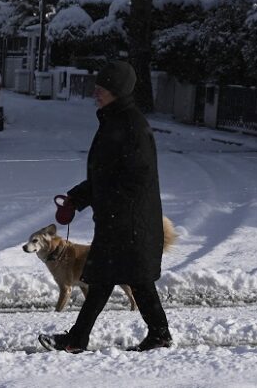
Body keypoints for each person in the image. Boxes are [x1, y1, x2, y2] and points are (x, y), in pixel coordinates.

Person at [38, 61, 172, 353]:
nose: (96, 92)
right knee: (117, 278)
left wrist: (107, 206)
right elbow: (106, 175)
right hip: (120, 219)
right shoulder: (115, 121)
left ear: (118, 91)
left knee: (110, 278)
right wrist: (76, 199)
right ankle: (157, 335)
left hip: (128, 221)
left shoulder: (131, 126)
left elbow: (134, 178)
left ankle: (78, 339)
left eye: (103, 88)